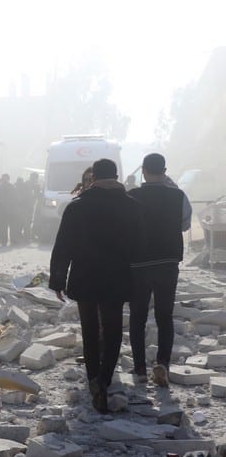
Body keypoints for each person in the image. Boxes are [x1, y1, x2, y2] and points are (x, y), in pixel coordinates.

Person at [49, 158, 144, 412]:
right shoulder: (132, 207)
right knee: (112, 330)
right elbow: (139, 247)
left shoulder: (76, 207)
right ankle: (104, 378)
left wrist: (57, 279)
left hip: (85, 276)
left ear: (93, 178)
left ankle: (94, 379)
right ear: (116, 176)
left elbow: (63, 246)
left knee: (89, 329)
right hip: (117, 276)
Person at [127, 153, 193, 387]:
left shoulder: (131, 196)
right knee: (164, 317)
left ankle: (140, 369)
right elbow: (184, 224)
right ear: (165, 171)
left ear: (143, 170)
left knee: (137, 317)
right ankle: (163, 364)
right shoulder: (178, 196)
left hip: (138, 264)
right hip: (167, 262)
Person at [0, 174, 14, 249]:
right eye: (3, 179)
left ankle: (4, 240)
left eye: (5, 179)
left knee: (5, 225)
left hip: (7, 210)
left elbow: (15, 198)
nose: (4, 180)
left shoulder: (11, 187)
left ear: (8, 179)